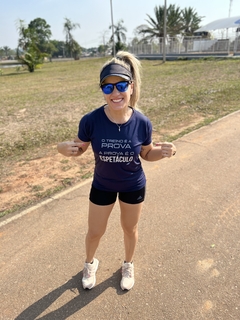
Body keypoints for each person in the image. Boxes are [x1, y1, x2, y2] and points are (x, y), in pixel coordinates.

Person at [57, 51, 176, 291]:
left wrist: (162, 153)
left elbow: (146, 154)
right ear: (101, 90)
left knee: (129, 229)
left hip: (133, 185)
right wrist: (62, 148)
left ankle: (128, 264)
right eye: (107, 87)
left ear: (131, 87)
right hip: (102, 185)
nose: (115, 92)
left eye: (121, 85)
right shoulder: (91, 120)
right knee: (94, 232)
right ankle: (90, 263)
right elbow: (79, 148)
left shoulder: (142, 122)